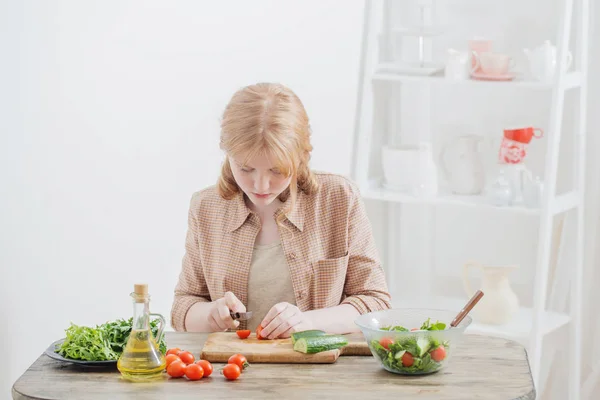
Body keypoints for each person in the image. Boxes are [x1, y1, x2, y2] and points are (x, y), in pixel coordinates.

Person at [170, 82, 391, 339]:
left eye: (276, 170)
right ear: (227, 155)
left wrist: (307, 321)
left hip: (320, 373)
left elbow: (376, 302)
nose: (260, 185)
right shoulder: (206, 207)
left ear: (300, 156)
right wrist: (211, 314)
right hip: (231, 371)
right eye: (245, 168)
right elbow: (182, 307)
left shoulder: (338, 198)